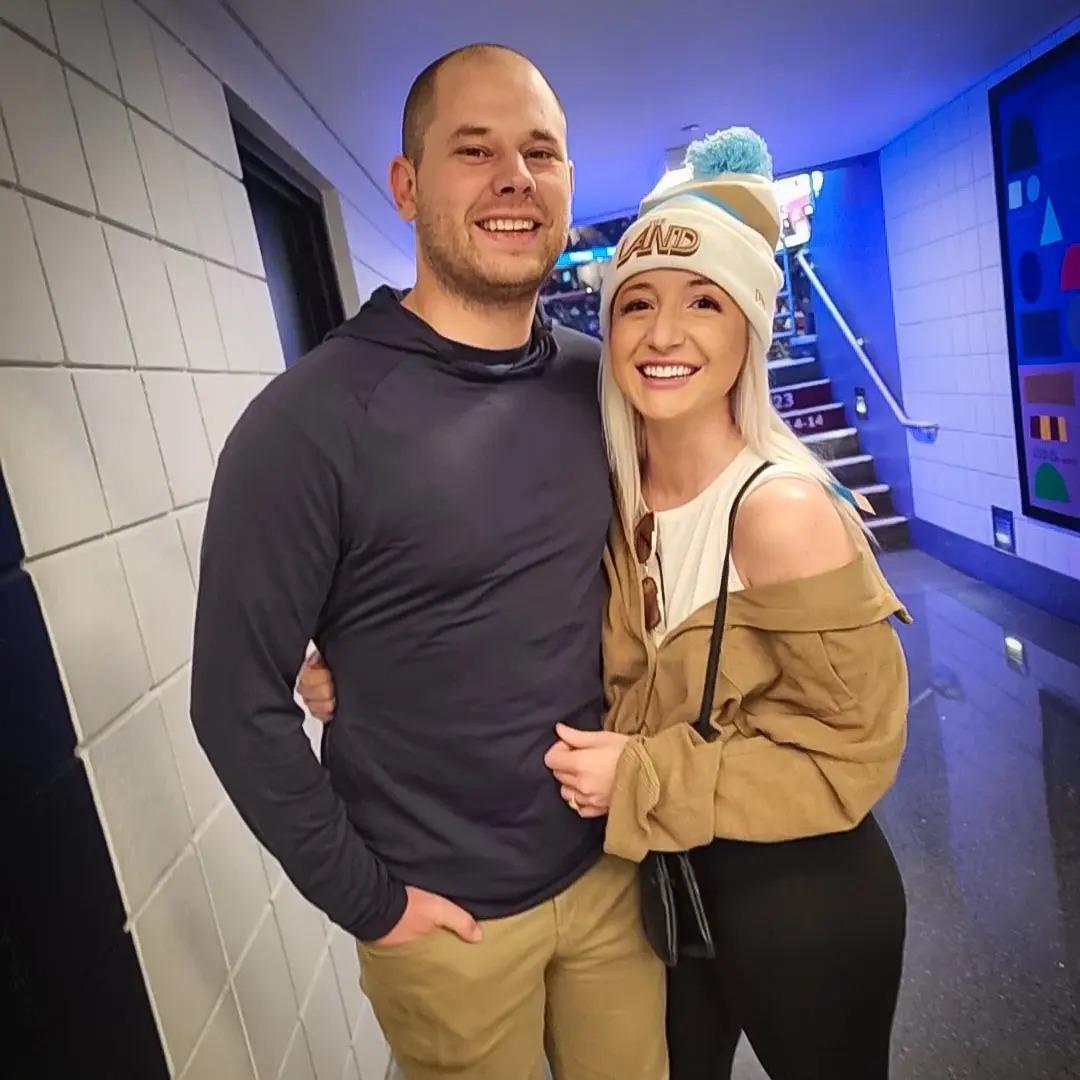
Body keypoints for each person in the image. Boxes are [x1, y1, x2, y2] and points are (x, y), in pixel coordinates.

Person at [301, 128, 910, 1080]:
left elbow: (854, 755)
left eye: (703, 301)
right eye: (637, 304)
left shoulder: (780, 512)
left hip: (801, 896)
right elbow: (521, 618)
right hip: (661, 889)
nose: (664, 335)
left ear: (748, 330)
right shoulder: (613, 496)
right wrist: (372, 668)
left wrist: (644, 775)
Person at [190, 43, 666, 1080]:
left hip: (609, 874)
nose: (515, 178)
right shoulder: (310, 423)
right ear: (406, 187)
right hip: (448, 925)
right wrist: (372, 902)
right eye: (475, 150)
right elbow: (233, 703)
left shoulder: (599, 384)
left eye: (541, 152)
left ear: (570, 184)